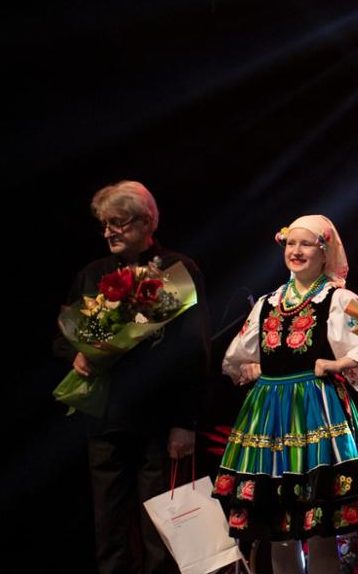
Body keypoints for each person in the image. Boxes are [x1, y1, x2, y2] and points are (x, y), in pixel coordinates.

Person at [214, 215, 358, 574]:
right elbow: (236, 359)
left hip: (317, 411)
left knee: (320, 527)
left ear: (324, 252)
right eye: (291, 243)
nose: (296, 251)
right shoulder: (268, 302)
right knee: (278, 530)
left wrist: (339, 363)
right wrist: (250, 368)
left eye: (306, 244)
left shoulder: (337, 299)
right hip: (270, 417)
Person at [55, 180, 209, 574]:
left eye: (118, 223)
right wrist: (76, 354)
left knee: (161, 529)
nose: (108, 232)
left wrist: (185, 421)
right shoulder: (93, 274)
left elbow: (193, 352)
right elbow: (63, 338)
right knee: (110, 528)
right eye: (105, 224)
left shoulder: (175, 271)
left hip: (158, 420)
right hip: (106, 419)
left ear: (146, 222)